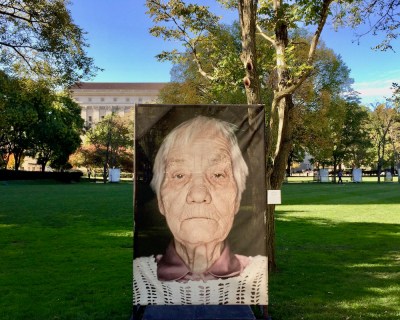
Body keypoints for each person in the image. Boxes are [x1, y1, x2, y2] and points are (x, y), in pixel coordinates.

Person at [133, 116, 267, 305]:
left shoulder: (258, 274)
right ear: (161, 201)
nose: (198, 194)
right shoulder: (141, 276)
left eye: (218, 174)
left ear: (237, 198)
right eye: (179, 175)